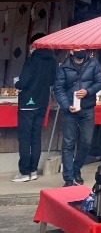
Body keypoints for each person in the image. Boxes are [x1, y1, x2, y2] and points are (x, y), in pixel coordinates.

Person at [53, 49, 101, 186]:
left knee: (86, 142)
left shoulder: (94, 63)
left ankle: (76, 169)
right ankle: (68, 178)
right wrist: (66, 105)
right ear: (71, 51)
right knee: (68, 143)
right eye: (77, 49)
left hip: (87, 108)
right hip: (70, 109)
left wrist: (88, 91)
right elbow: (58, 89)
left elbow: (100, 82)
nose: (80, 51)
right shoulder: (64, 67)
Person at [12, 33, 57, 183]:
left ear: (34, 45)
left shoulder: (31, 61)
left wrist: (17, 84)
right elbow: (52, 81)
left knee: (25, 138)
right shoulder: (52, 61)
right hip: (42, 103)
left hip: (27, 104)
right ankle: (33, 170)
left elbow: (23, 82)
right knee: (36, 137)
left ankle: (24, 172)